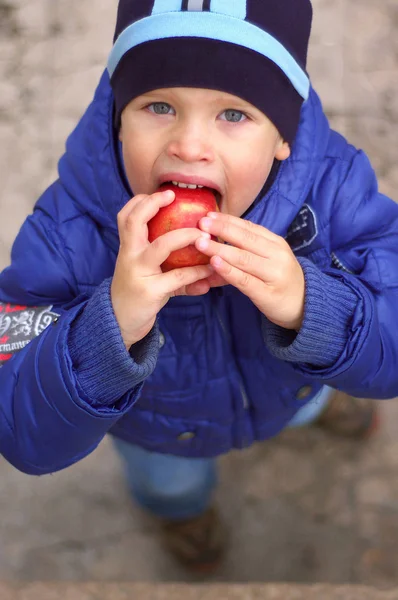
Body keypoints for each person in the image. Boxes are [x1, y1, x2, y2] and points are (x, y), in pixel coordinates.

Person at [0, 0, 396, 573]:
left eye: (233, 114)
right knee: (170, 486)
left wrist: (314, 307)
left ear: (283, 136)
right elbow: (20, 427)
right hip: (161, 435)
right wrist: (107, 325)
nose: (189, 144)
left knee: (312, 399)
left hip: (291, 389)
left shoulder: (332, 192)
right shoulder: (70, 231)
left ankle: (320, 406)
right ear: (117, 115)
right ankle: (183, 515)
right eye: (158, 105)